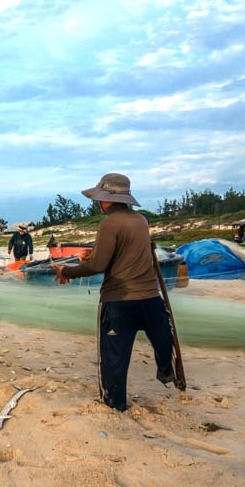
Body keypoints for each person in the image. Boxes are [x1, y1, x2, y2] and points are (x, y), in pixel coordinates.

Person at [52, 173, 176, 412]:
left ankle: (114, 403)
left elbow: (98, 266)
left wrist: (67, 271)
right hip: (150, 297)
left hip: (120, 300)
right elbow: (124, 251)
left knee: (114, 358)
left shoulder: (109, 223)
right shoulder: (140, 220)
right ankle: (165, 370)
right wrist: (95, 252)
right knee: (161, 337)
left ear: (105, 200)